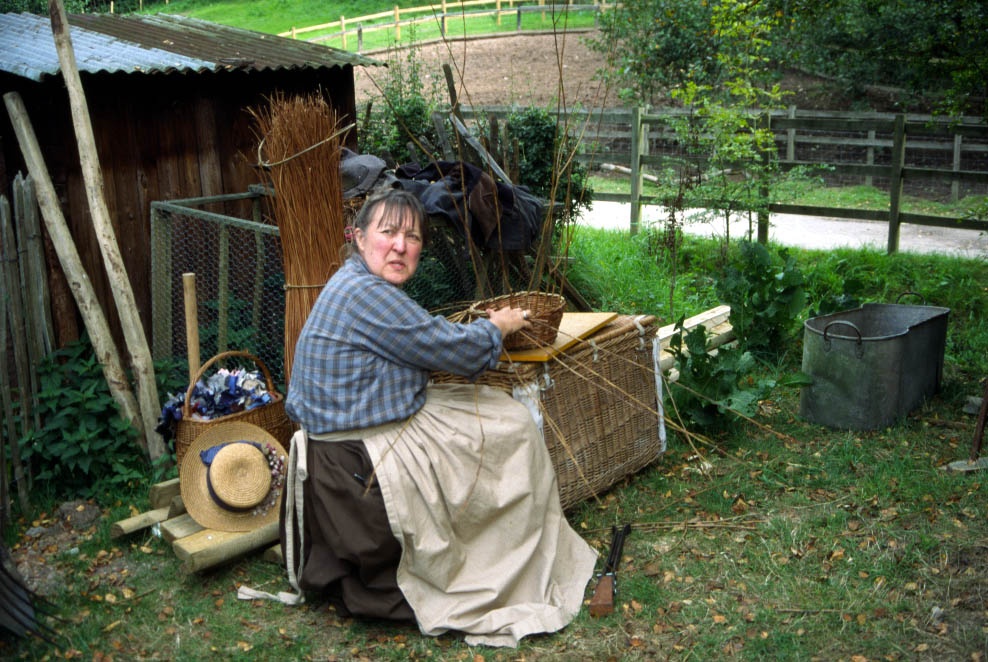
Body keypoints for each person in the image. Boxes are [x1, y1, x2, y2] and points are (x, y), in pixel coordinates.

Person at [281, 188, 597, 648]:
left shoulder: (352, 282)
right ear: (358, 237)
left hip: (345, 440)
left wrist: (465, 332)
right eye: (387, 232)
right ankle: (500, 556)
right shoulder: (366, 296)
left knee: (494, 412)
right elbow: (458, 351)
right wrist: (498, 327)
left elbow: (420, 338)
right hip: (356, 460)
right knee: (512, 425)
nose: (400, 246)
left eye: (412, 237)